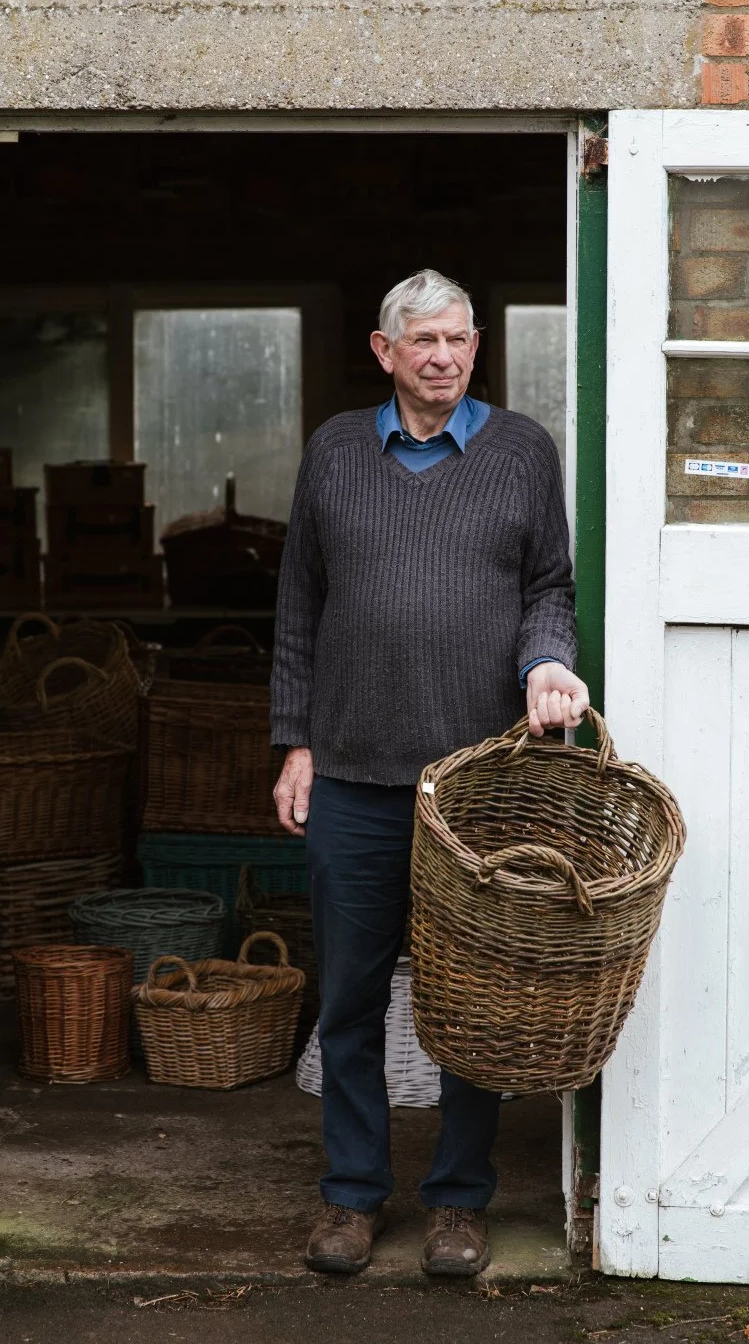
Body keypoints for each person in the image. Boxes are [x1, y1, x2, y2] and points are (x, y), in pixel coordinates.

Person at [270, 269, 588, 1278]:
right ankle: (353, 1199)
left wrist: (546, 661)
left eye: (459, 339)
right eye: (424, 343)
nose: (443, 357)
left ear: (476, 344)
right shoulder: (332, 452)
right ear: (384, 351)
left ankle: (457, 1201)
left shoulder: (521, 450)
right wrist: (295, 742)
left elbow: (548, 588)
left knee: (472, 1002)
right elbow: (296, 610)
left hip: (477, 790)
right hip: (355, 775)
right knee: (351, 1000)